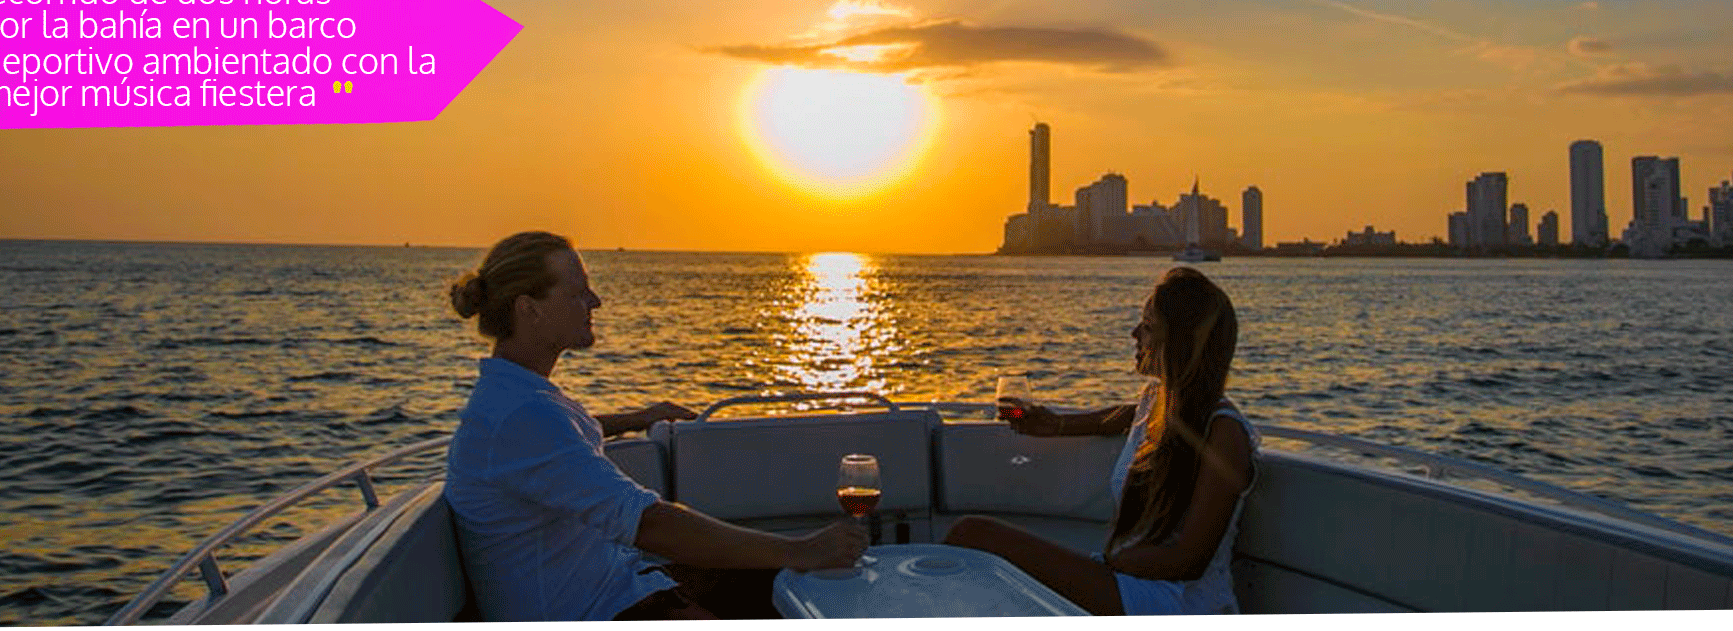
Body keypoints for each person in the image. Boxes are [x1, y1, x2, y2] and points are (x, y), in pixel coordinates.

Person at [443, 231, 867, 621]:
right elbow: (649, 524)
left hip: (619, 584)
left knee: (789, 586)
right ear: (529, 308)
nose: (595, 301)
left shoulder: (518, 400)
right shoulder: (524, 416)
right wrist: (802, 548)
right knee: (796, 579)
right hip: (597, 612)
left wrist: (636, 418)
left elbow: (567, 439)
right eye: (578, 292)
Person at [943, 266, 1260, 615]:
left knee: (972, 535)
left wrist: (1110, 562)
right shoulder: (1158, 404)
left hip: (1177, 601)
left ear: (1180, 343)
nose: (1134, 333)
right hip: (1131, 580)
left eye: (1149, 326)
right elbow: (1122, 416)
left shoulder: (1224, 433)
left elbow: (1190, 560)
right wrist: (1054, 425)